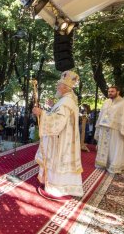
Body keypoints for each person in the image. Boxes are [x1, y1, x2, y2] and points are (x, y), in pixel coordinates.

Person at [32, 70, 83, 200]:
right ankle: (61, 186)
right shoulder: (67, 100)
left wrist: (41, 113)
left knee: (59, 162)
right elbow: (59, 116)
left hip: (62, 140)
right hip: (64, 138)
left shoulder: (66, 102)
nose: (57, 87)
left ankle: (57, 188)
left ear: (65, 88)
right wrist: (50, 108)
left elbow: (58, 122)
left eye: (59, 85)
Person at [94, 86, 124, 173]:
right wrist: (99, 126)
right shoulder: (106, 102)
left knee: (115, 148)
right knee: (103, 148)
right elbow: (101, 115)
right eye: (109, 91)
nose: (110, 93)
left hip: (116, 130)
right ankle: (102, 164)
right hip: (104, 128)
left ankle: (114, 166)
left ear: (118, 92)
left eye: (112, 91)